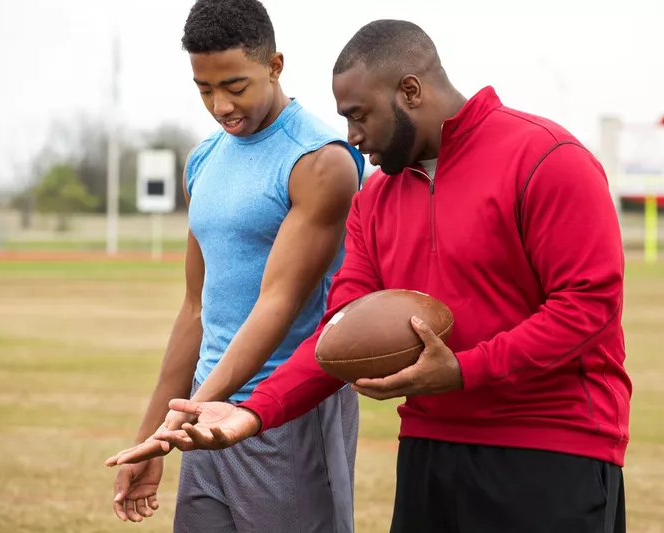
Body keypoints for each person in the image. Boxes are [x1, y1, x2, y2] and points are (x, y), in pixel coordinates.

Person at [122, 19, 632, 533]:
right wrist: (254, 413)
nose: (352, 136)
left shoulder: (548, 158)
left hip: (553, 446)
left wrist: (464, 370)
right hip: (429, 449)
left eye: (359, 116)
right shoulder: (374, 200)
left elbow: (587, 306)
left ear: (409, 91)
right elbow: (337, 335)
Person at [104, 1, 365, 532]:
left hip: (284, 410)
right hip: (205, 410)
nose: (220, 104)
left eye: (236, 86)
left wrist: (184, 416)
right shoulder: (203, 159)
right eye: (204, 88)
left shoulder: (320, 161)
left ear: (275, 65)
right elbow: (196, 310)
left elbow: (278, 302)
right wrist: (155, 433)